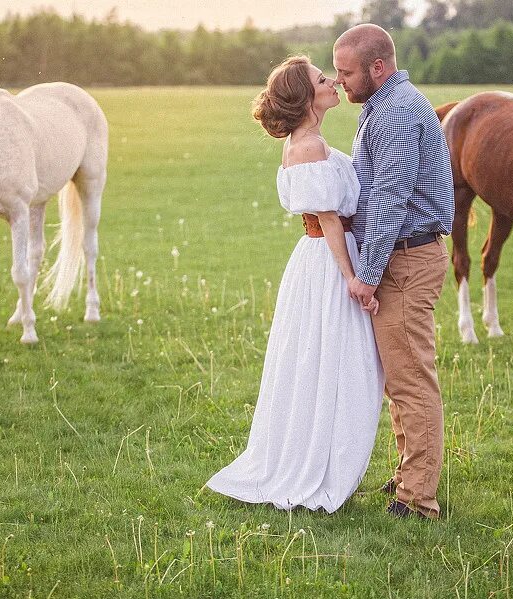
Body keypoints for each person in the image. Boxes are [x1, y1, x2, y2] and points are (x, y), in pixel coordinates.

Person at [205, 56, 384, 513]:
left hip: (326, 256)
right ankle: (314, 465)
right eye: (323, 80)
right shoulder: (307, 147)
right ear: (307, 98)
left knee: (334, 361)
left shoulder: (314, 142)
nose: (333, 82)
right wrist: (352, 278)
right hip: (327, 262)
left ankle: (328, 457)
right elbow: (328, 218)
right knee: (334, 362)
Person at [334, 24, 455, 519]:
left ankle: (418, 498)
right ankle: (410, 473)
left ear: (377, 67)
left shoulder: (399, 113)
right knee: (398, 378)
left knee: (411, 380)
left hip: (407, 258)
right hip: (399, 256)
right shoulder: (382, 106)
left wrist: (366, 274)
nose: (339, 81)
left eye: (346, 72)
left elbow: (390, 199)